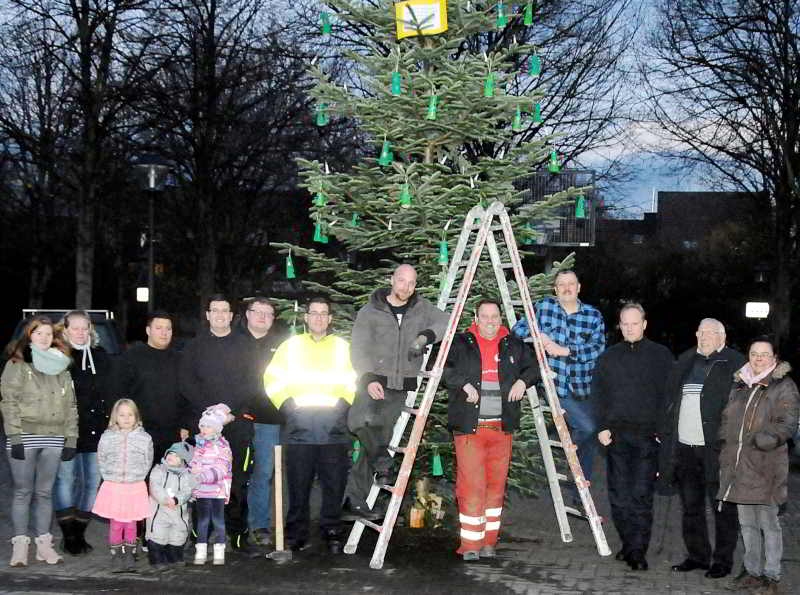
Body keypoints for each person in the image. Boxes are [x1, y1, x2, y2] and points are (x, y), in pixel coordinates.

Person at [344, 264, 449, 518]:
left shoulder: (421, 309)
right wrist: (368, 377)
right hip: (373, 380)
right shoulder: (371, 311)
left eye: (412, 283)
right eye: (402, 281)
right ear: (391, 279)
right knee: (359, 420)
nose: (406, 287)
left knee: (378, 438)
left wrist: (425, 336)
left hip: (401, 385)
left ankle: (353, 501)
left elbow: (446, 321)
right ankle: (383, 464)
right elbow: (358, 347)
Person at [443, 300, 539, 561]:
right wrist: (464, 385)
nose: (490, 321)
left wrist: (522, 380)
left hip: (501, 429)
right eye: (484, 316)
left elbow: (534, 366)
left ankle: (489, 542)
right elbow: (443, 367)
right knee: (472, 486)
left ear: (500, 318)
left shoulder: (513, 344)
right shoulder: (462, 342)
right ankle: (470, 544)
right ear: (476, 317)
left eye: (494, 316)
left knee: (496, 487)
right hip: (470, 429)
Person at [264, 297, 356, 554]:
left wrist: (342, 405)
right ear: (306, 317)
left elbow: (354, 380)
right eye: (313, 313)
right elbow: (272, 379)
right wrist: (287, 406)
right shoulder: (290, 347)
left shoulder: (342, 347)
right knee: (298, 486)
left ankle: (332, 532)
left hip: (333, 429)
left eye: (323, 313)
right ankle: (296, 535)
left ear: (330, 319)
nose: (318, 318)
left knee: (334, 486)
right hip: (299, 428)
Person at [658, 318, 746, 579]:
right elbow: (669, 399)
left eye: (711, 333)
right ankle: (697, 556)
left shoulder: (735, 363)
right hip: (685, 448)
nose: (704, 336)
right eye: (701, 332)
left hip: (716, 450)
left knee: (722, 508)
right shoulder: (684, 361)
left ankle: (722, 561)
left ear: (723, 337)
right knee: (691, 507)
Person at [592, 303, 673, 571]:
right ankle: (628, 543)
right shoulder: (608, 357)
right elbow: (599, 395)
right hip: (617, 437)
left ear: (644, 324)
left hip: (648, 437)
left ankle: (637, 551)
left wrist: (663, 432)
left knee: (640, 495)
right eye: (625, 324)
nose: (629, 328)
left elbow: (669, 398)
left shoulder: (661, 356)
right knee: (618, 495)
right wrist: (601, 427)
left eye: (634, 323)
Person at [516, 270, 605, 506]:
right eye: (561, 284)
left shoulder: (593, 316)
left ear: (579, 287)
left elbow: (597, 349)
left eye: (571, 284)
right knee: (587, 428)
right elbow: (519, 329)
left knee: (589, 436)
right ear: (555, 289)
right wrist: (541, 337)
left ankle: (579, 491)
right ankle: (572, 454)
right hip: (554, 383)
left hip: (583, 386)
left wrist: (566, 351)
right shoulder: (544, 307)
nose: (566, 288)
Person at [717, 338, 799, 595]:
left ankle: (771, 576)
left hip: (766, 465)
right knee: (747, 524)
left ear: (775, 357)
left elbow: (787, 423)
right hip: (739, 466)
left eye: (764, 354)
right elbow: (728, 418)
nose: (758, 358)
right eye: (754, 353)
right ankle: (752, 571)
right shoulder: (740, 384)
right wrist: (725, 439)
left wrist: (761, 442)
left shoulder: (783, 386)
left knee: (769, 523)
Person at [2, 315, 78, 567]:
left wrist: (71, 439)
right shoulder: (17, 363)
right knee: (23, 492)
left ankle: (44, 546)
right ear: (29, 336)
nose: (44, 338)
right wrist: (14, 435)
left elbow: (71, 406)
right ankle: (20, 546)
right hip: (24, 435)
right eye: (38, 333)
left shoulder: (62, 367)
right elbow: (9, 401)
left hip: (54, 438)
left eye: (48, 334)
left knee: (45, 493)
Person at [179, 294, 252, 551]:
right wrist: (209, 413)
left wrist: (227, 409)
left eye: (225, 310)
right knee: (202, 481)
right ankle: (201, 534)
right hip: (203, 427)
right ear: (208, 315)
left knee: (237, 481)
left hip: (236, 423)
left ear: (231, 316)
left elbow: (251, 382)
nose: (220, 315)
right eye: (215, 310)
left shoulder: (245, 346)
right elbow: (186, 383)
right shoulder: (193, 347)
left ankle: (238, 535)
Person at [52, 310, 114, 556]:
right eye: (74, 327)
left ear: (91, 329)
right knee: (65, 481)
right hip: (66, 431)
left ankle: (79, 532)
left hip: (97, 431)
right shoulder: (55, 357)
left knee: (91, 484)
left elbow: (111, 390)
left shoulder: (101, 357)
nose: (80, 332)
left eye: (84, 327)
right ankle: (69, 536)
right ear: (64, 330)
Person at [237, 296, 286, 548]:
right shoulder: (233, 341)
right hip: (235, 419)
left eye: (268, 314)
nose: (263, 317)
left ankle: (259, 524)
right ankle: (230, 524)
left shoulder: (281, 345)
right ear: (247, 313)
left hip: (269, 420)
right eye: (258, 312)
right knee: (232, 473)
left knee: (264, 473)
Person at [92, 398, 154, 573]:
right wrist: (108, 476)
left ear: (136, 416)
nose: (126, 418)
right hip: (114, 486)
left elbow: (147, 460)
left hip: (134, 486)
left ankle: (129, 554)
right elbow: (101, 457)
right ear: (115, 417)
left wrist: (138, 476)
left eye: (130, 414)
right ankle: (116, 555)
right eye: (122, 415)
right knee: (116, 523)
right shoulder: (107, 436)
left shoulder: (144, 438)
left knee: (131, 524)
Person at [117, 311, 185, 463]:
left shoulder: (180, 359)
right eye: (159, 328)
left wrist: (186, 425)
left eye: (168, 328)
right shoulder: (131, 357)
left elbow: (186, 395)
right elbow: (120, 394)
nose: (164, 333)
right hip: (139, 432)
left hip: (172, 434)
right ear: (148, 331)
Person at [189, 404, 234, 566]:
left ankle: (219, 551)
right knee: (202, 521)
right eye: (202, 425)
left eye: (208, 426)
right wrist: (192, 473)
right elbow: (193, 463)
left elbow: (222, 469)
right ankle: (200, 550)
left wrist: (201, 477)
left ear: (217, 428)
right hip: (202, 491)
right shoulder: (199, 445)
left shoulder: (222, 446)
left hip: (217, 490)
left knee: (218, 521)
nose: (204, 429)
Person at [146, 441, 196, 570]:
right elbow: (154, 486)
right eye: (170, 453)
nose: (171, 456)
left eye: (176, 455)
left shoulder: (187, 475)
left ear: (183, 461)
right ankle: (156, 560)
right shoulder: (158, 470)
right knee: (157, 534)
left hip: (178, 511)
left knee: (178, 535)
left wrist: (177, 499)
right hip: (159, 510)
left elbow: (187, 490)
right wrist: (165, 499)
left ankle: (175, 557)